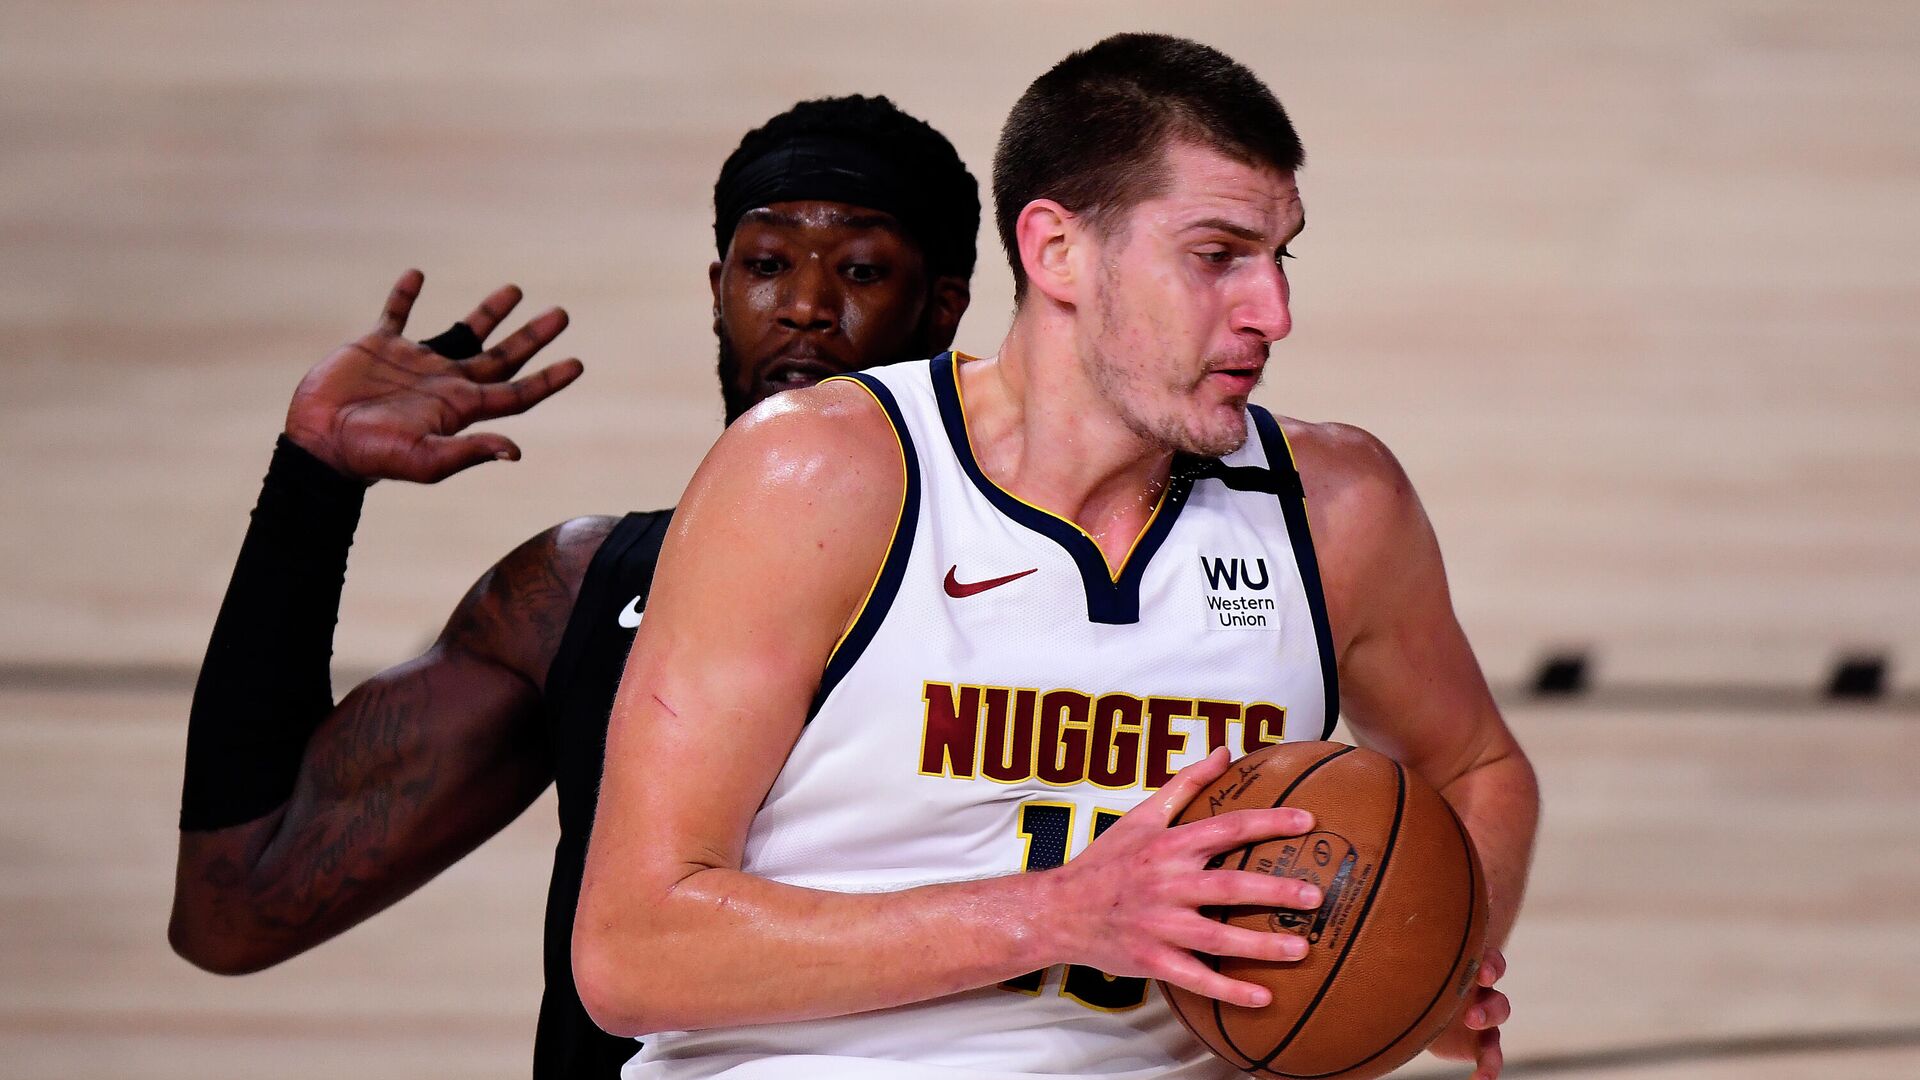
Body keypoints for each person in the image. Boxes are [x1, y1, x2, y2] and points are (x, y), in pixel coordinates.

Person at [575, 33, 1538, 1080]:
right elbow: (632, 947)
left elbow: (1479, 768)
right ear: (1057, 251)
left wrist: (1418, 968)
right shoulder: (820, 476)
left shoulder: (1337, 507)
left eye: (1280, 256)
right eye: (1218, 256)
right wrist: (1058, 915)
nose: (1274, 313)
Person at [166, 95, 980, 1080]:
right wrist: (313, 483)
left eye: (859, 271)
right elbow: (236, 907)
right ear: (717, 288)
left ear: (941, 307)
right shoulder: (579, 588)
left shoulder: (1044, 582)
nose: (804, 303)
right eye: (766, 265)